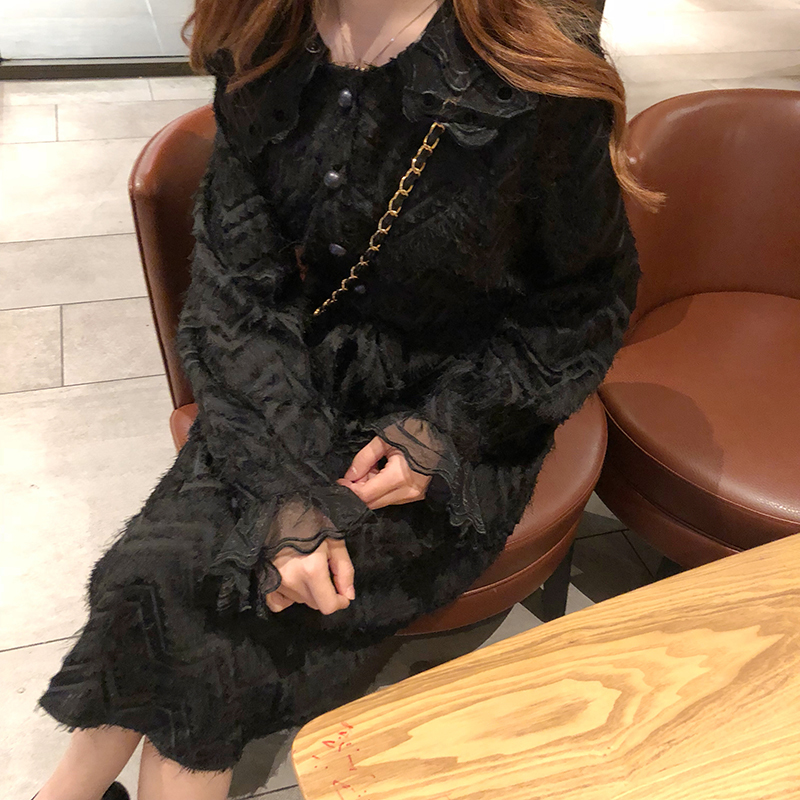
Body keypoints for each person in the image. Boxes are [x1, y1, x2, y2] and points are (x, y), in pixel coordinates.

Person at [34, 0, 664, 797]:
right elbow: (236, 293)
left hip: (455, 416)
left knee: (211, 635)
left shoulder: (532, 67)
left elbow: (582, 310)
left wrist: (443, 435)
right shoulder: (263, 30)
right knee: (151, 574)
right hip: (287, 384)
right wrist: (285, 495)